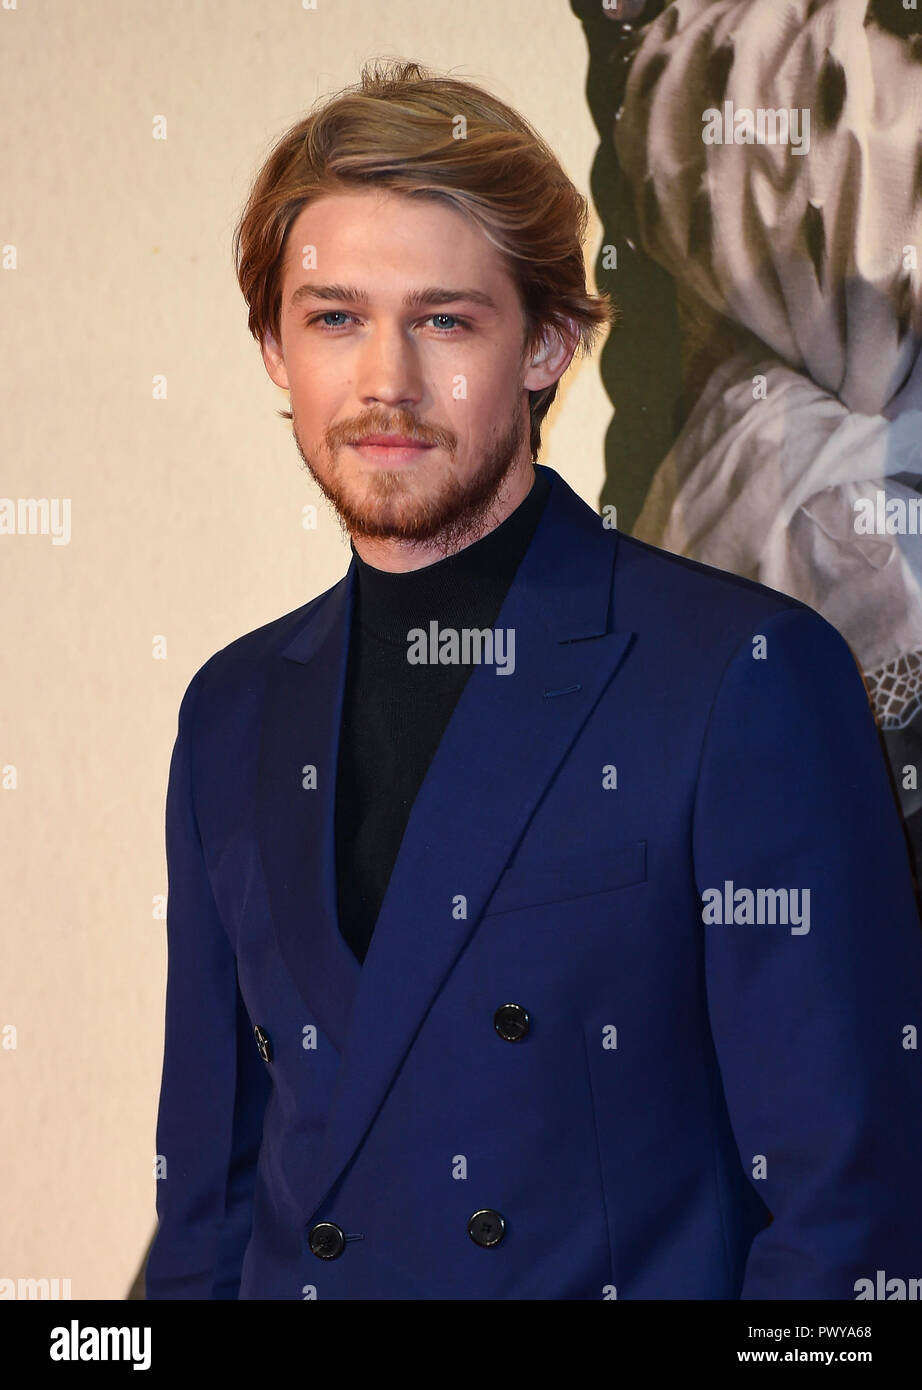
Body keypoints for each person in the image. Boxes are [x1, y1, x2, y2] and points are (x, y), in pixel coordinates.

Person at [145, 59, 922, 1301]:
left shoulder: (741, 678)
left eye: (445, 319)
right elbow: (206, 1212)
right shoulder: (232, 711)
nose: (385, 380)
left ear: (550, 342)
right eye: (334, 317)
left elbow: (852, 1220)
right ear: (274, 353)